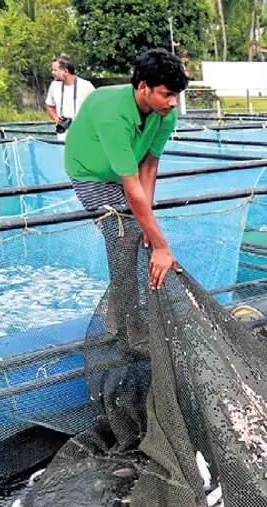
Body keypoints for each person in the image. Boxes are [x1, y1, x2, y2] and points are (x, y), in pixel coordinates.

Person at [63, 48, 188, 343]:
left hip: (126, 169)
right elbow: (131, 188)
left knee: (141, 232)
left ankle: (120, 314)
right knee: (125, 235)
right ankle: (125, 326)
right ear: (143, 86)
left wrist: (150, 225)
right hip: (90, 173)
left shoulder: (164, 114)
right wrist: (160, 244)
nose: (173, 103)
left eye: (176, 96)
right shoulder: (112, 113)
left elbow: (149, 166)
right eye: (167, 94)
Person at [45, 56, 95, 140]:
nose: (52, 72)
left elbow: (97, 107)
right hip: (63, 135)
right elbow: (49, 106)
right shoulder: (54, 85)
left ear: (65, 71)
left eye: (55, 70)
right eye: (52, 70)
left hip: (83, 134)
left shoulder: (86, 85)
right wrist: (57, 119)